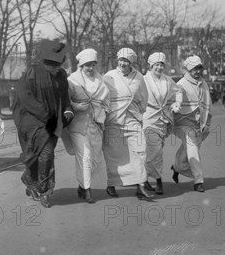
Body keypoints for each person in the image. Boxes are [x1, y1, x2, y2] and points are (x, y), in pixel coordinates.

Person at [13, 39, 74, 208]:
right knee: (33, 156)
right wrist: (46, 116)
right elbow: (25, 98)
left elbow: (64, 96)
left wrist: (68, 110)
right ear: (44, 62)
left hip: (53, 123)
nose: (55, 69)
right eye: (51, 66)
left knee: (46, 155)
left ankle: (45, 190)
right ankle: (30, 180)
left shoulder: (61, 76)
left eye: (58, 65)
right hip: (31, 122)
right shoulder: (31, 73)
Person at [102, 48, 153, 199]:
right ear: (117, 60)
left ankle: (140, 184)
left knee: (141, 150)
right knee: (114, 154)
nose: (123, 63)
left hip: (132, 117)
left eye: (127, 61)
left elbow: (144, 97)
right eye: (121, 60)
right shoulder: (109, 76)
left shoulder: (139, 77)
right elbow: (103, 97)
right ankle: (111, 184)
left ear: (131, 62)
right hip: (114, 118)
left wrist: (139, 112)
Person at [65, 48, 109, 204]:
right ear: (81, 65)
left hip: (96, 123)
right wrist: (76, 107)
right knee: (85, 157)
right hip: (78, 125)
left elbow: (106, 100)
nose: (90, 68)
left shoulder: (100, 80)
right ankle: (88, 191)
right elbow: (65, 101)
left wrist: (104, 111)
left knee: (96, 160)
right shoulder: (72, 80)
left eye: (93, 65)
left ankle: (82, 186)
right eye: (87, 65)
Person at [142, 52, 183, 195]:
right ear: (151, 65)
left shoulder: (167, 81)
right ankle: (158, 180)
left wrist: (176, 104)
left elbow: (178, 92)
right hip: (147, 119)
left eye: (161, 65)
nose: (159, 67)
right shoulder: (144, 80)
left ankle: (144, 179)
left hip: (163, 120)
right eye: (156, 65)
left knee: (155, 150)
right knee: (155, 150)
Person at [172, 55, 212, 193]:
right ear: (188, 70)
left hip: (199, 124)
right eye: (194, 69)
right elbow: (175, 101)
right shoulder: (181, 84)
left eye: (199, 68)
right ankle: (198, 180)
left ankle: (177, 167)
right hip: (184, 122)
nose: (197, 72)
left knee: (187, 150)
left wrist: (207, 122)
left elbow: (208, 104)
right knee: (193, 148)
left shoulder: (203, 83)